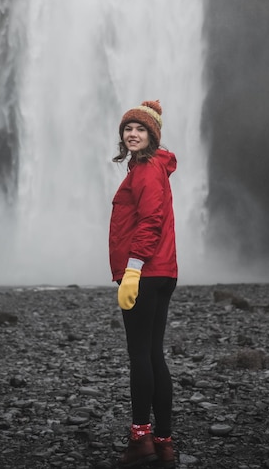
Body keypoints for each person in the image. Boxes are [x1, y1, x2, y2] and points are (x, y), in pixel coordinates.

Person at [109, 100, 178, 468]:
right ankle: (163, 441)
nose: (132, 134)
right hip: (161, 271)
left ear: (153, 135)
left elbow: (150, 220)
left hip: (146, 273)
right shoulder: (148, 168)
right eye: (128, 128)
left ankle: (141, 439)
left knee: (140, 355)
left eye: (141, 129)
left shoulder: (148, 169)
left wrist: (132, 269)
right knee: (153, 353)